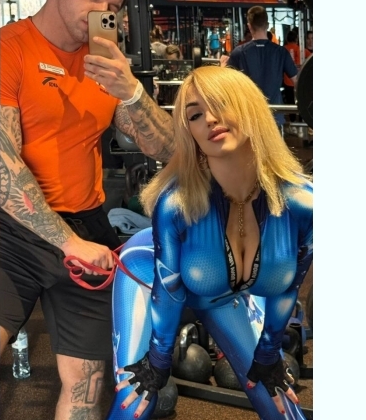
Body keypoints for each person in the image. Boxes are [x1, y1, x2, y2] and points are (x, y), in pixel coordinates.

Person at [0, 0, 175, 419]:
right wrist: (67, 242)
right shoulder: (7, 49)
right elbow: (0, 166)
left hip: (87, 226)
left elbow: (167, 148)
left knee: (86, 386)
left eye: (114, 4)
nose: (104, 9)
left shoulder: (103, 63)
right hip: (11, 229)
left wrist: (131, 91)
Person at [106, 66, 313, 420]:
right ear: (190, 133)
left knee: (281, 405)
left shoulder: (303, 203)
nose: (210, 119)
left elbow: (287, 287)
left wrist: (268, 353)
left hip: (221, 293)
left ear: (250, 108)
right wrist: (158, 359)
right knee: (137, 400)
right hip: (148, 275)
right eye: (195, 115)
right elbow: (169, 290)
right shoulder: (176, 204)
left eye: (220, 104)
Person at [227, 6, 298, 129]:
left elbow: (226, 85)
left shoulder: (238, 52)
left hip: (249, 117)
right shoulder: (280, 52)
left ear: (249, 26)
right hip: (274, 116)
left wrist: (223, 66)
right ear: (267, 25)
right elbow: (297, 82)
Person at [283, 30, 300, 122]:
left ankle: (292, 121)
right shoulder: (300, 49)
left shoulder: (283, 49)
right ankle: (300, 121)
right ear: (296, 38)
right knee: (300, 103)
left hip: (287, 81)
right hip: (298, 80)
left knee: (290, 103)